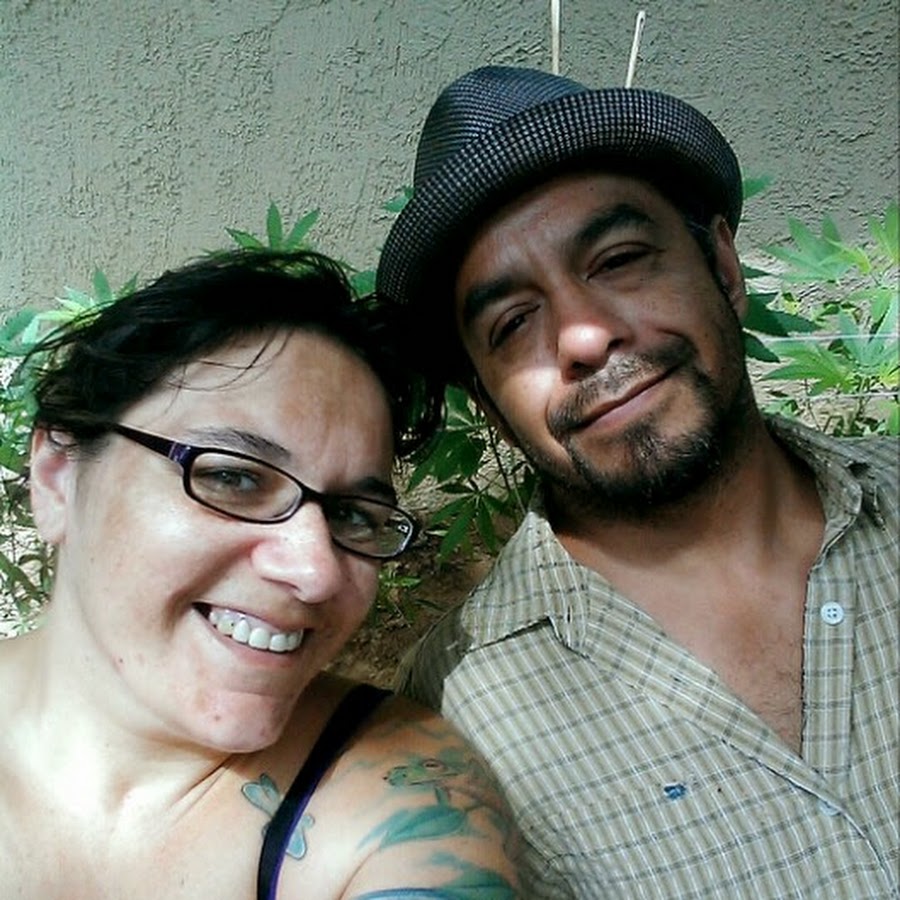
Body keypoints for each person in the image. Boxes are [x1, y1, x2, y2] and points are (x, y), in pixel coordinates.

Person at [377, 65, 899, 898]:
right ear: (490, 404)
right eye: (513, 323)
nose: (584, 337)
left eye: (619, 260)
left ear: (723, 266)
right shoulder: (453, 724)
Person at [0, 248, 522, 899]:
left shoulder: (403, 803)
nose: (317, 571)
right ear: (57, 479)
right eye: (234, 478)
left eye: (353, 515)